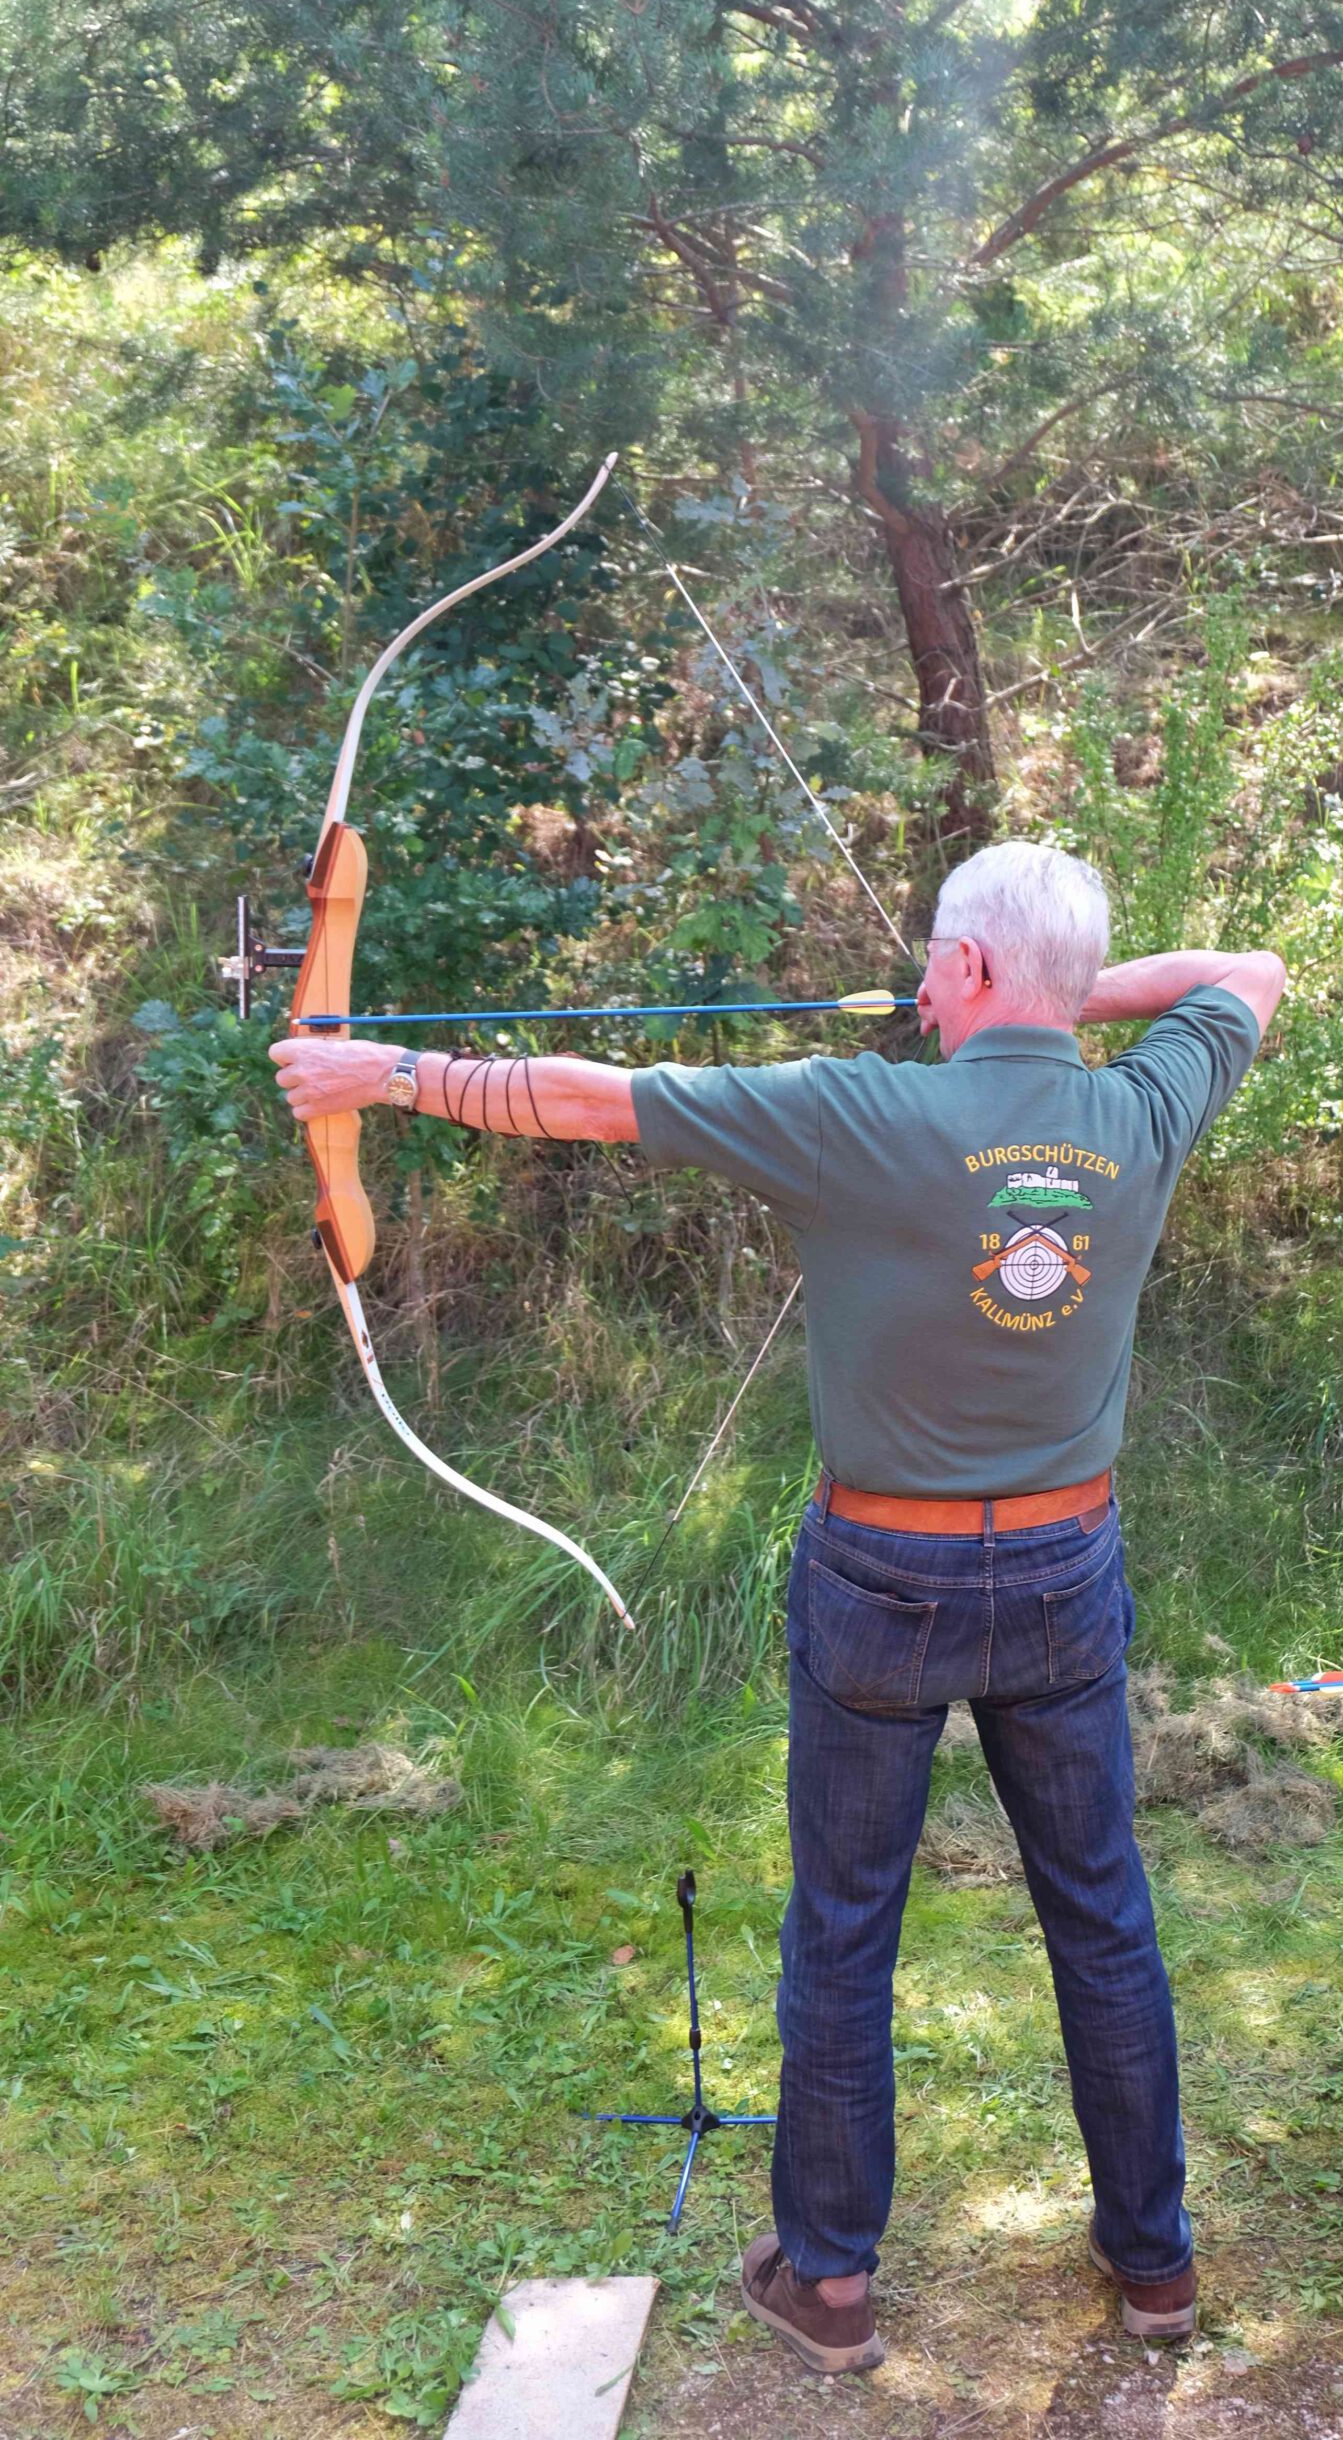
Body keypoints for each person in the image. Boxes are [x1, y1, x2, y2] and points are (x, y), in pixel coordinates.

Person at [272, 839, 1286, 2375]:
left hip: (886, 1580)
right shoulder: (1145, 1106)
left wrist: (382, 1077)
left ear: (969, 969)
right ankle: (1155, 2263)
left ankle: (829, 2282)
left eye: (949, 956)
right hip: (1068, 1575)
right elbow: (1246, 977)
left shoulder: (862, 1112)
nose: (933, 977)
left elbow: (589, 1100)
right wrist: (1074, 997)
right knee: (1102, 1916)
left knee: (844, 1927)